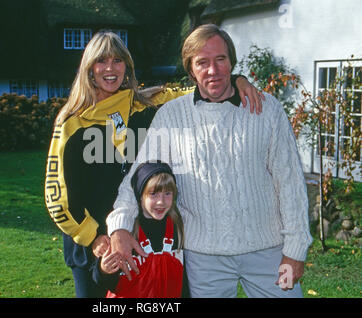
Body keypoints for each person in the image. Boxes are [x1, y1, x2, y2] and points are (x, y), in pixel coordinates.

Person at [44, 30, 263, 298]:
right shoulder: (72, 123)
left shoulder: (149, 105)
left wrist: (237, 81)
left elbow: (203, 87)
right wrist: (95, 238)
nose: (110, 68)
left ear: (128, 67)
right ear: (89, 69)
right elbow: (58, 197)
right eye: (102, 61)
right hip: (94, 246)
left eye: (118, 60)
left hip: (145, 236)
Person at [106, 24, 313, 298]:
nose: (213, 70)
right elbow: (137, 178)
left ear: (231, 62)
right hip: (203, 259)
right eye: (202, 63)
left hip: (269, 252)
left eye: (220, 60)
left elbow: (290, 183)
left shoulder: (267, 109)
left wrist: (295, 250)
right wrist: (119, 226)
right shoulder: (171, 116)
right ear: (191, 70)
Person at [92, 161, 184, 298]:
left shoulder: (178, 227)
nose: (161, 201)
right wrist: (104, 270)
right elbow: (102, 281)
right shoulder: (124, 231)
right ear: (140, 196)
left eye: (167, 193)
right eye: (153, 194)